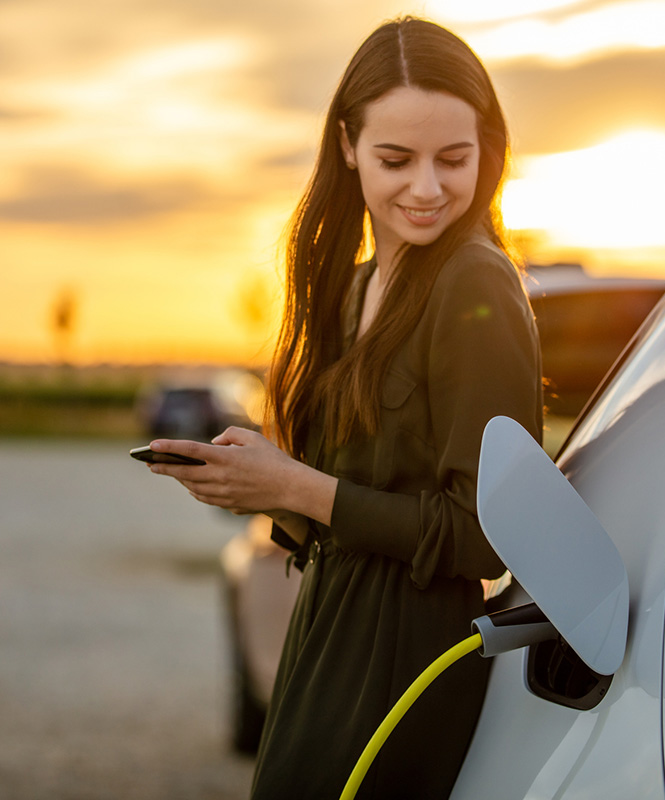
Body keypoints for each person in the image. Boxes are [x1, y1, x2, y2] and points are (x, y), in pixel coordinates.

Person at [148, 16, 542, 799]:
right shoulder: (353, 288)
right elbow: (347, 502)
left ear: (486, 152)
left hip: (407, 663)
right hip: (325, 633)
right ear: (347, 146)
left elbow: (484, 539)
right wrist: (259, 485)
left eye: (453, 159)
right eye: (397, 159)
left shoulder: (475, 283)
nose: (427, 188)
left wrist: (295, 488)